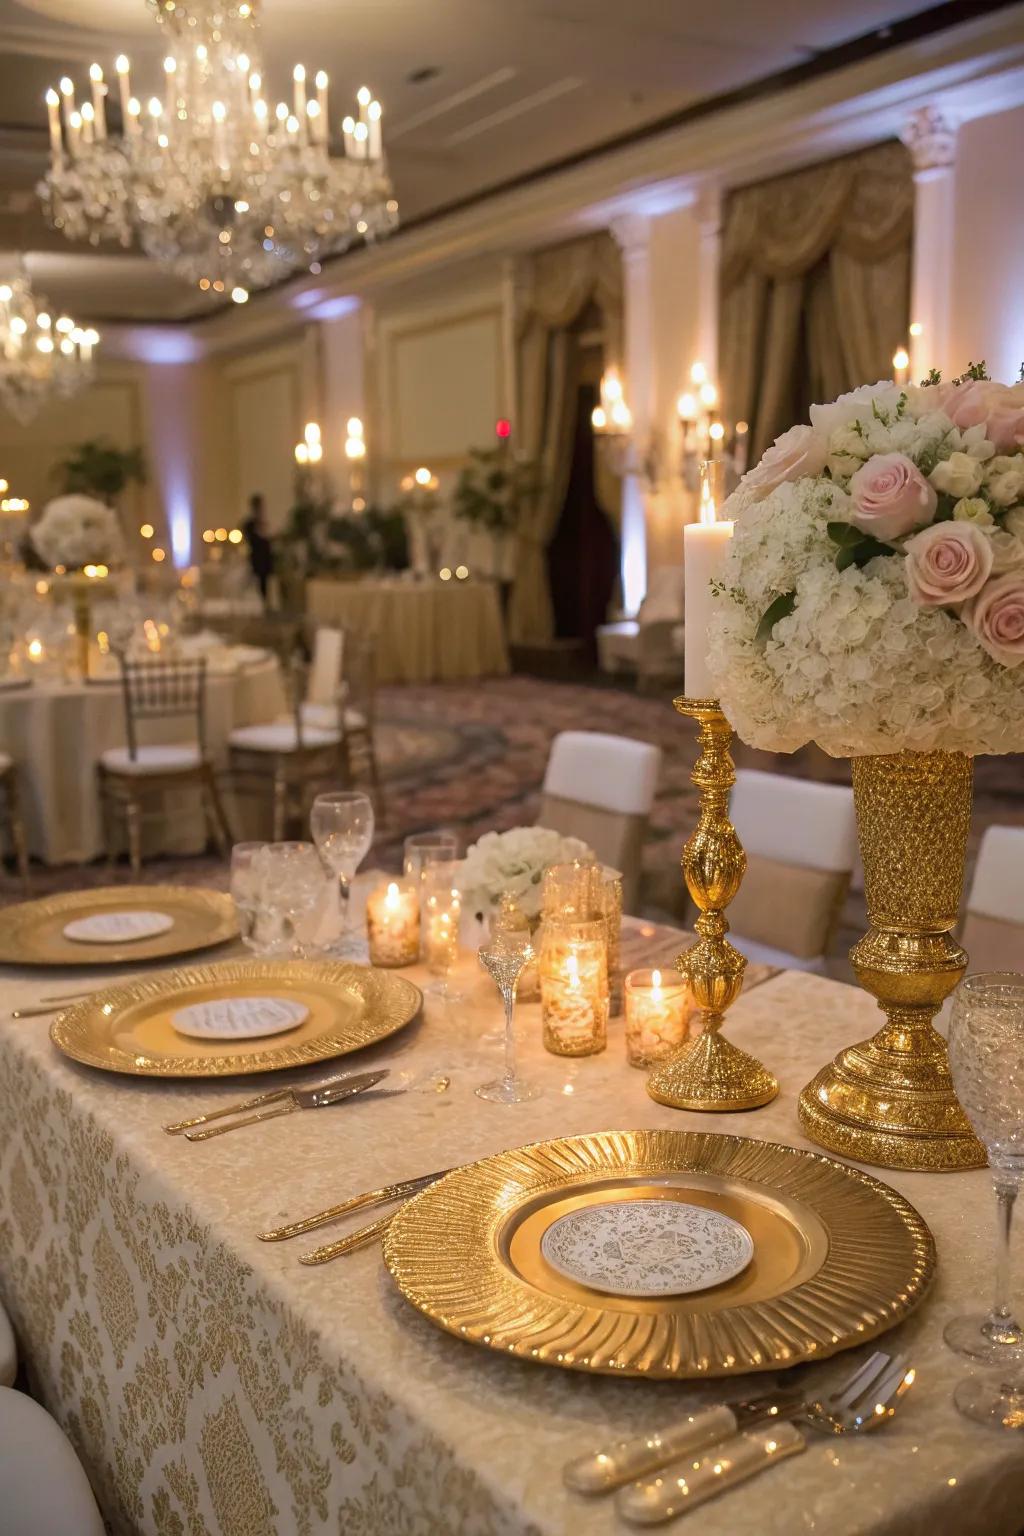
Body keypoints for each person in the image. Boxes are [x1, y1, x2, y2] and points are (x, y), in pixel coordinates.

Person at [242, 491, 274, 601]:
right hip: (256, 560)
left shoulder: (263, 523)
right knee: (254, 586)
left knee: (264, 587)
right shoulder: (249, 525)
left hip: (265, 560)